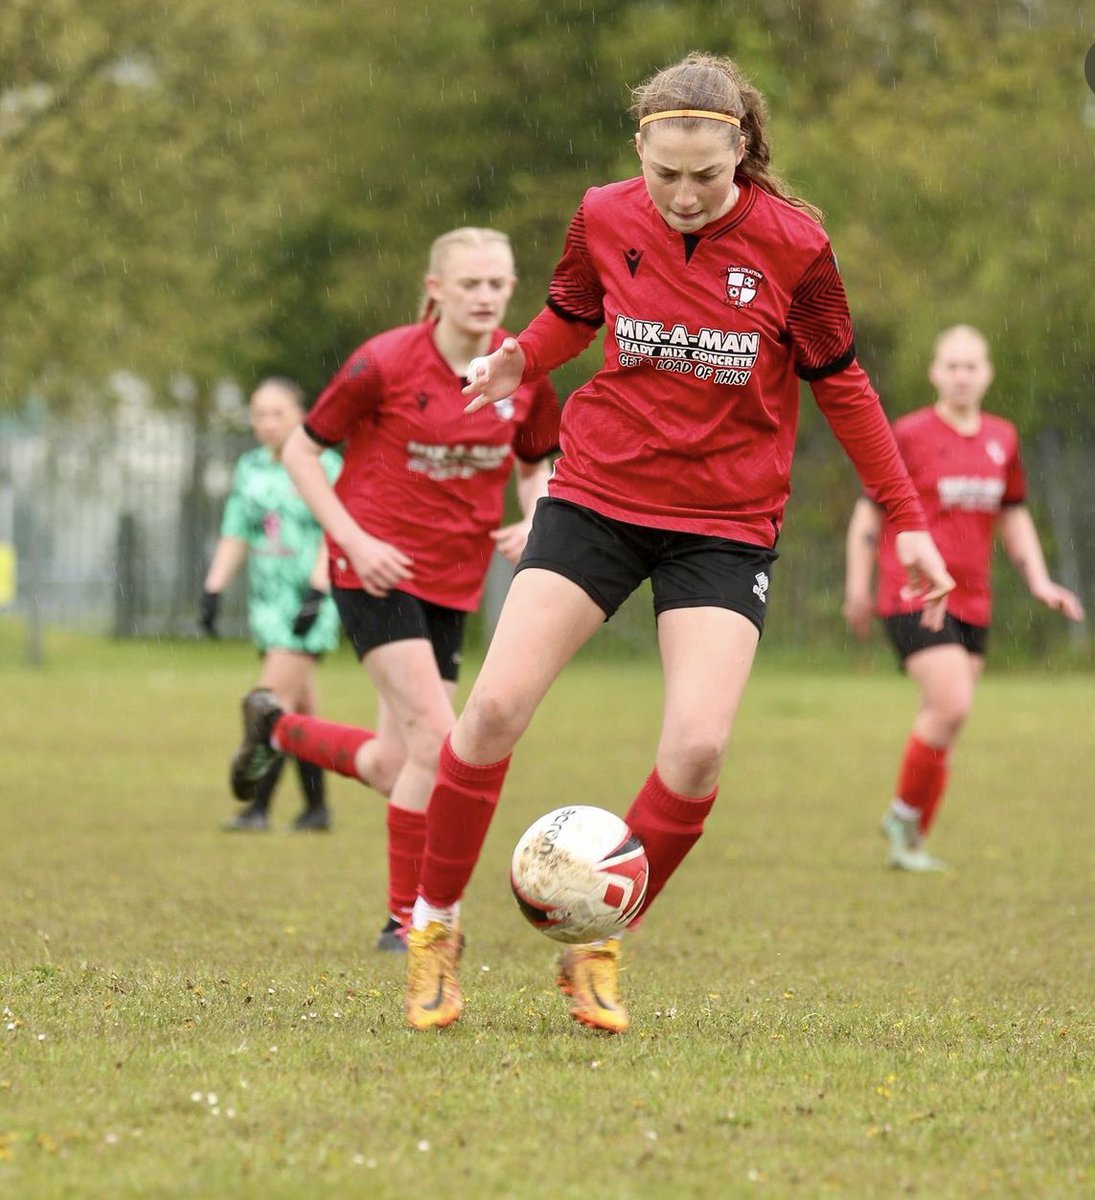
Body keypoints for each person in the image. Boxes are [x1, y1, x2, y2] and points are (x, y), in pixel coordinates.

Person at [388, 52, 955, 1034]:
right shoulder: (604, 214)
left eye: (707, 175)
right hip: (598, 496)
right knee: (488, 715)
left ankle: (599, 944)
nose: (687, 196)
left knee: (696, 751)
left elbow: (845, 386)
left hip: (726, 528)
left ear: (741, 149)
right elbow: (572, 315)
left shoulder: (795, 245)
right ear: (639, 153)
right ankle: (433, 931)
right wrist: (517, 360)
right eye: (667, 175)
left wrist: (908, 523)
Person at [227, 228, 561, 949]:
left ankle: (275, 726)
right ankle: (405, 919)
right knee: (442, 745)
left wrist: (533, 517)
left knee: (395, 762)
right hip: (373, 570)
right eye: (468, 283)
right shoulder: (381, 362)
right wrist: (351, 540)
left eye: (497, 284)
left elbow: (538, 467)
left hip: (454, 578)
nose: (484, 296)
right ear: (435, 289)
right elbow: (299, 450)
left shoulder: (524, 371)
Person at [843, 325, 1085, 871]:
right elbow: (869, 511)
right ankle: (903, 817)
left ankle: (910, 841)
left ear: (987, 373)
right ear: (934, 372)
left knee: (948, 720)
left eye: (971, 366)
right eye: (951, 365)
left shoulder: (1003, 437)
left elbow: (1013, 513)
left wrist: (1040, 581)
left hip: (975, 599)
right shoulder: (908, 434)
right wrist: (857, 585)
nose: (961, 376)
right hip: (914, 592)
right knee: (951, 703)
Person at [201, 377, 343, 832]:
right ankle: (316, 809)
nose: (266, 423)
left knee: (268, 703)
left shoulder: (326, 465)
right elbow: (236, 532)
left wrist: (318, 590)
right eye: (258, 413)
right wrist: (213, 590)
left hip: (309, 601)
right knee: (299, 710)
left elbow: (335, 530)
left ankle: (257, 808)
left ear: (300, 415)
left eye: (276, 413)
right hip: (266, 605)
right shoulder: (250, 469)